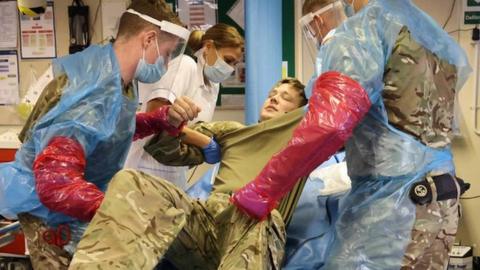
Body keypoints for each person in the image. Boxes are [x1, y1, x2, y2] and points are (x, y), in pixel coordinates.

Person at [231, 0, 472, 269]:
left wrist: (263, 190)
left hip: (394, 207)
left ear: (317, 21)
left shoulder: (359, 34)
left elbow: (328, 125)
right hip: (441, 201)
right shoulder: (424, 32)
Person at [0, 1, 196, 269]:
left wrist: (160, 119)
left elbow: (109, 130)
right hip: (52, 215)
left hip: (76, 200)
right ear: (149, 39)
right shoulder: (90, 92)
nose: (167, 63)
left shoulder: (115, 78)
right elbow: (56, 183)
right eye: (166, 53)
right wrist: (125, 209)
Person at [68, 78, 308, 270]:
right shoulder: (234, 132)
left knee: (258, 213)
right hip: (207, 228)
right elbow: (167, 149)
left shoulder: (304, 140)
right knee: (131, 181)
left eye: (285, 97)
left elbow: (334, 121)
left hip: (251, 229)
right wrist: (176, 123)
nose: (274, 98)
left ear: (298, 111)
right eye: (272, 93)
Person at [124, 24, 244, 190]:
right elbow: (156, 117)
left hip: (175, 169)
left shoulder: (213, 86)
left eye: (234, 64)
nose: (230, 69)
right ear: (208, 47)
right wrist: (205, 142)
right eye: (228, 60)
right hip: (147, 167)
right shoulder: (185, 66)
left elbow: (194, 127)